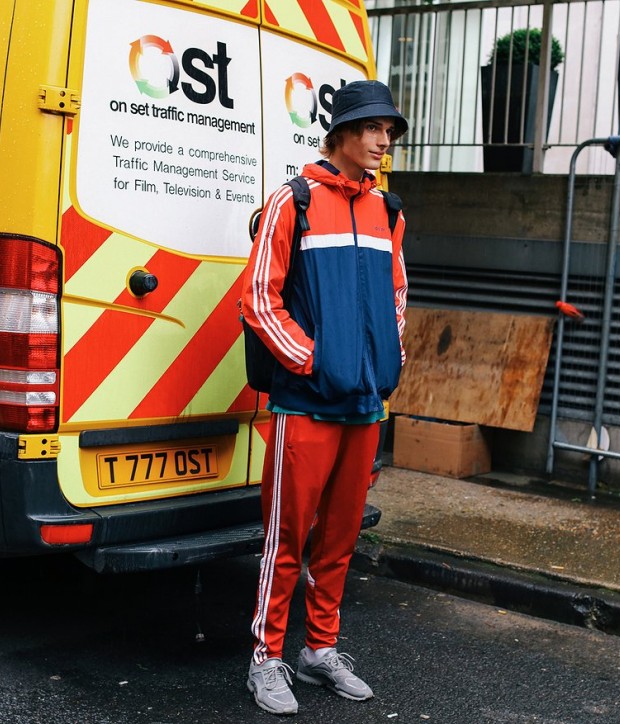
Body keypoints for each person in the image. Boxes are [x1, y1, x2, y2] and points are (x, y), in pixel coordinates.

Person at [240, 79, 409, 716]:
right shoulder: (295, 200)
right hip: (306, 404)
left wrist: (385, 360)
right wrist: (313, 360)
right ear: (340, 133)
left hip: (366, 404)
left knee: (338, 539)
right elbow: (258, 297)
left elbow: (397, 296)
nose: (383, 141)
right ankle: (266, 659)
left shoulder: (388, 211)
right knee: (286, 538)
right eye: (372, 130)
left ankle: (320, 648)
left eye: (388, 131)